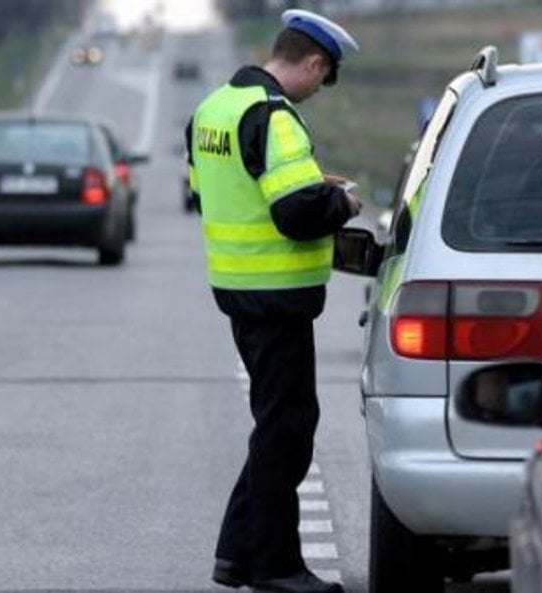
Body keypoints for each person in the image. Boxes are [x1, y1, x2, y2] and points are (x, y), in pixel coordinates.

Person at [184, 9, 361, 593]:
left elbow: (208, 187)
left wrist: (310, 183)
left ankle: (237, 555)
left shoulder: (214, 108)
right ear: (312, 63)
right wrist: (341, 205)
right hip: (277, 295)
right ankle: (277, 567)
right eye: (324, 77)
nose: (319, 90)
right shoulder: (273, 115)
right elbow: (296, 214)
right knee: (287, 430)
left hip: (240, 292)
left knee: (277, 426)